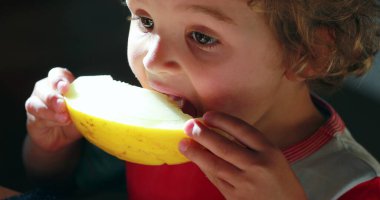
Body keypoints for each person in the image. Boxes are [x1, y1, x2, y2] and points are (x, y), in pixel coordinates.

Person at [24, 0, 380, 199]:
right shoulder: (152, 120)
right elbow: (59, 183)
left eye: (201, 36)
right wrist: (52, 146)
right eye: (146, 22)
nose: (153, 61)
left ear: (308, 52)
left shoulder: (354, 184)